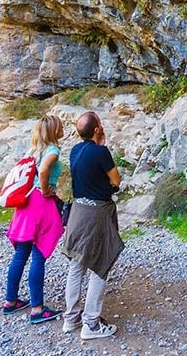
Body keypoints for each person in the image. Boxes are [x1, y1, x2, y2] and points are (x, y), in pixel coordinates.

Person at [61, 111, 123, 340]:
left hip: (78, 211)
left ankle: (71, 319)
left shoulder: (76, 150)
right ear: (97, 129)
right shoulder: (101, 152)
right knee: (100, 264)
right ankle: (92, 324)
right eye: (100, 123)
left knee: (77, 265)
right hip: (97, 212)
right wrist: (102, 147)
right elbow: (115, 180)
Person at [2, 114, 65, 323]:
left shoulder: (32, 151)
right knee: (38, 255)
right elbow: (45, 169)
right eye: (60, 126)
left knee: (21, 255)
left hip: (26, 204)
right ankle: (37, 309)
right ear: (55, 130)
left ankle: (11, 301)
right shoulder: (52, 151)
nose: (63, 128)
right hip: (41, 203)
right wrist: (46, 189)